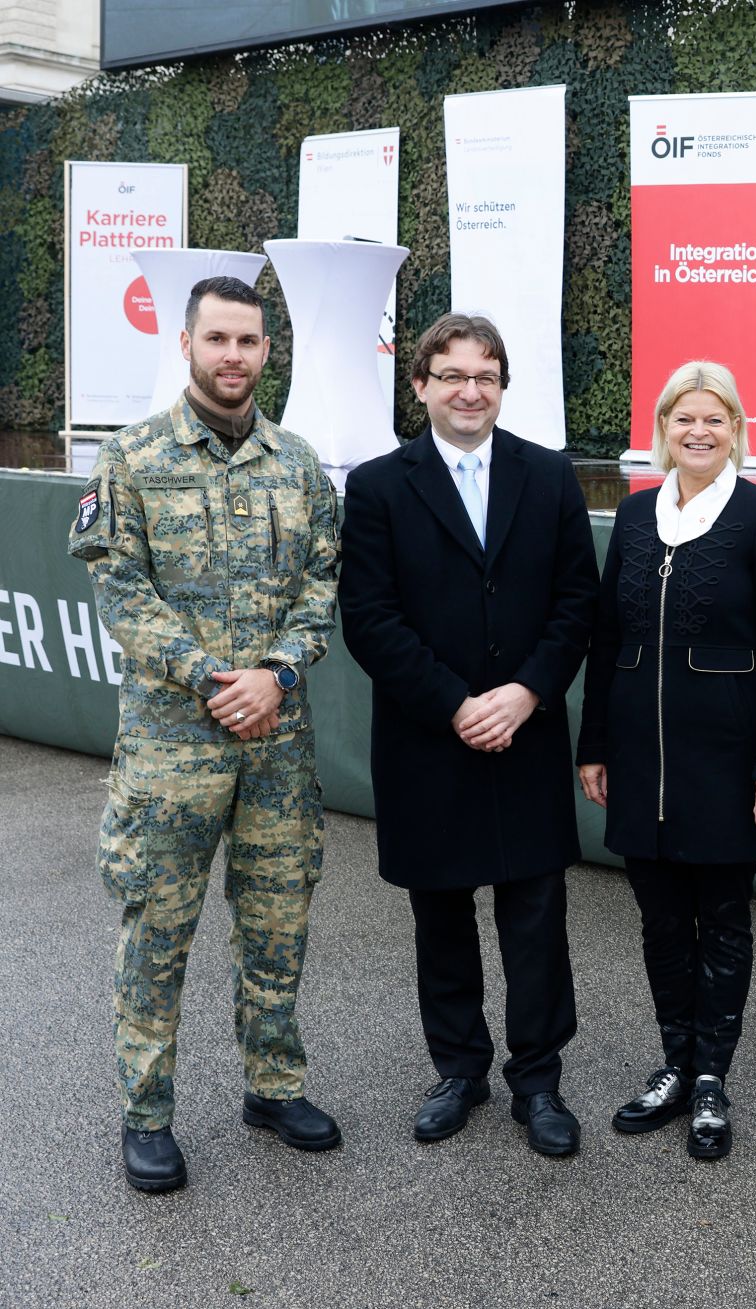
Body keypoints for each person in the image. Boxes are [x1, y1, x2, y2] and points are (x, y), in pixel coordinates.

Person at [68, 275, 340, 1193]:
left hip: (277, 741)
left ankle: (274, 1084)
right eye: (217, 339)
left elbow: (320, 588)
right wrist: (206, 673)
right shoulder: (133, 458)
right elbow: (118, 586)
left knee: (276, 923)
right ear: (185, 344)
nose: (234, 357)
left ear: (268, 352)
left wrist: (279, 674)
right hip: (172, 748)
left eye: (249, 342)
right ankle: (146, 1114)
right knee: (159, 929)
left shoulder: (298, 464)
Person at [338, 314, 597, 1157]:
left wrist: (523, 693)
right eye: (450, 375)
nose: (468, 391)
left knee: (536, 919)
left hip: (527, 735)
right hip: (428, 741)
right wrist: (456, 704)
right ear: (420, 385)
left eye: (484, 376)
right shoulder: (379, 487)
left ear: (501, 386)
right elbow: (370, 620)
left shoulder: (550, 476)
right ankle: (458, 1068)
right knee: (440, 917)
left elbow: (576, 605)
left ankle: (539, 1080)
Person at [577, 360, 756, 1162]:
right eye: (684, 419)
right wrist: (594, 745)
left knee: (724, 919)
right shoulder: (636, 518)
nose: (699, 432)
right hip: (639, 758)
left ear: (734, 428)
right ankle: (675, 1061)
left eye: (714, 419)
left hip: (729, 761)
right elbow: (608, 641)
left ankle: (712, 1076)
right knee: (660, 919)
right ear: (663, 429)